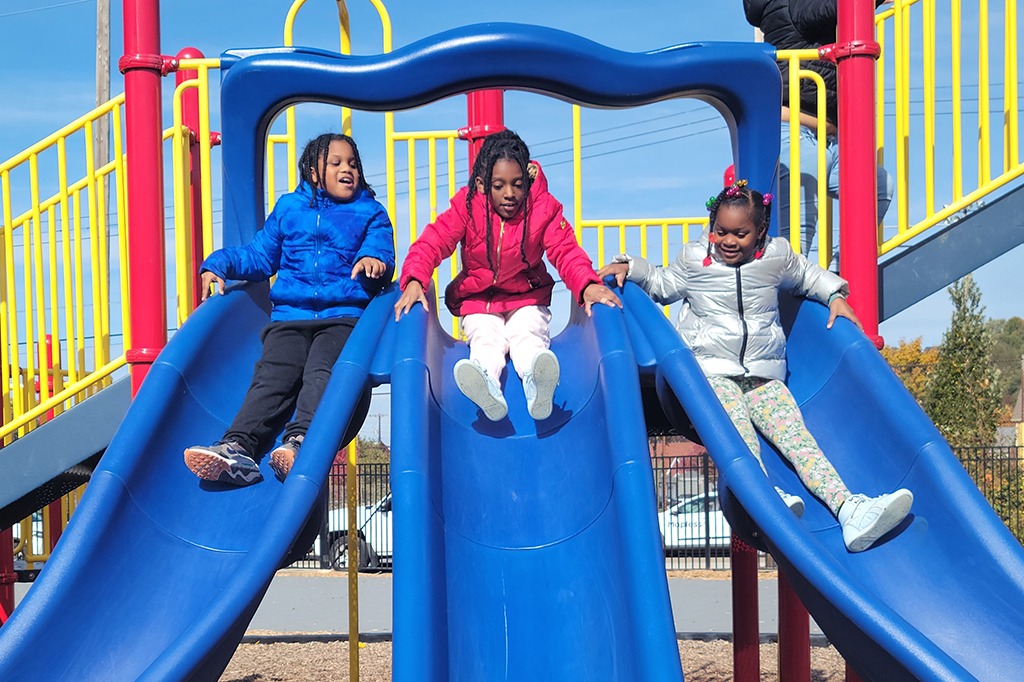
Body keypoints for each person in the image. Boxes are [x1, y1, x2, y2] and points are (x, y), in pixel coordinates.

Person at [598, 180, 912, 552]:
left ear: (760, 232)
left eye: (740, 234)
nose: (728, 241)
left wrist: (835, 296)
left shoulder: (776, 257)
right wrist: (629, 265)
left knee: (800, 442)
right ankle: (765, 496)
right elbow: (661, 283)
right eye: (721, 232)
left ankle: (850, 510)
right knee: (741, 436)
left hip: (764, 376)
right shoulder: (696, 260)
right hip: (712, 372)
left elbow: (808, 275)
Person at [184, 133, 395, 486]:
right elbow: (259, 256)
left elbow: (381, 248)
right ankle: (239, 447)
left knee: (321, 373)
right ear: (314, 171)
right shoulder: (288, 209)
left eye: (353, 164)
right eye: (336, 163)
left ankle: (300, 442)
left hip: (341, 316)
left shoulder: (369, 212)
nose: (348, 170)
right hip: (289, 317)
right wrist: (218, 263)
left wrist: (374, 259)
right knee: (271, 379)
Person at [394, 129, 621, 422]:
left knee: (527, 333)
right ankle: (486, 384)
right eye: (499, 186)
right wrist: (415, 278)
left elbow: (566, 250)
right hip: (479, 300)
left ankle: (537, 382)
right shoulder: (467, 206)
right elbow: (434, 241)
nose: (509, 194)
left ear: (527, 182)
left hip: (527, 297)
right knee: (485, 336)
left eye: (517, 185)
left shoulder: (542, 208)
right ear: (482, 184)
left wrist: (587, 283)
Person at [744, 0, 894, 271]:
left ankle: (838, 272)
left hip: (830, 137)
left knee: (879, 186)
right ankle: (796, 299)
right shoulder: (791, 5)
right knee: (799, 239)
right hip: (798, 133)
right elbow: (829, 8)